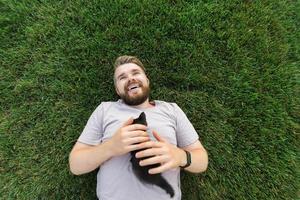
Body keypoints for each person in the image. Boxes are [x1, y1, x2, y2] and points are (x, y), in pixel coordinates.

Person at [69, 55, 208, 200]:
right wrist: (110, 147)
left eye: (136, 73)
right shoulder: (105, 110)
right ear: (117, 90)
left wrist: (180, 156)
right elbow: (75, 165)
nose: (130, 79)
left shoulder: (171, 110)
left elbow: (202, 161)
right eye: (122, 77)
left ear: (147, 80)